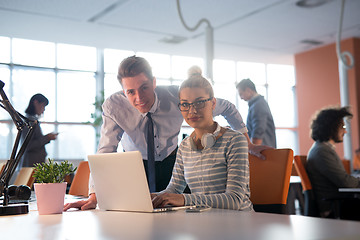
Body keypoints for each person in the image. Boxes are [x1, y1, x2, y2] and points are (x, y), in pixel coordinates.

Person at [64, 56, 261, 211]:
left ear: (154, 82)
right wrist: (94, 195)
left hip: (170, 159)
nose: (139, 98)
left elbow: (228, 108)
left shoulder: (181, 97)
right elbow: (105, 151)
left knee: (176, 204)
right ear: (123, 91)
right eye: (130, 92)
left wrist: (246, 141)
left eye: (144, 88)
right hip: (136, 164)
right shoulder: (115, 106)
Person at [151, 72, 253, 211]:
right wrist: (150, 197)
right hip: (203, 221)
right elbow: (173, 189)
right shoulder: (185, 146)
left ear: (213, 103)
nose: (192, 110)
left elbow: (234, 200)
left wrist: (184, 199)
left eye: (199, 102)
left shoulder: (235, 141)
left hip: (239, 223)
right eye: (185, 104)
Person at [306, 106, 360, 219]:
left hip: (339, 203)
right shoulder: (321, 151)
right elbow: (346, 183)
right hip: (334, 207)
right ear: (331, 127)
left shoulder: (324, 149)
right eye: (342, 127)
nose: (345, 131)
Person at [236, 78, 276, 148]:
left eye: (241, 94)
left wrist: (253, 149)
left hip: (262, 152)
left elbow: (259, 130)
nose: (241, 98)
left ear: (248, 90)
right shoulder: (257, 104)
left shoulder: (258, 105)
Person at [21, 94, 58, 167]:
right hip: (31, 165)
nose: (44, 109)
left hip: (34, 164)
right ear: (35, 102)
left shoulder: (32, 120)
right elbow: (28, 145)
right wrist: (47, 138)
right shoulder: (29, 121)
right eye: (43, 105)